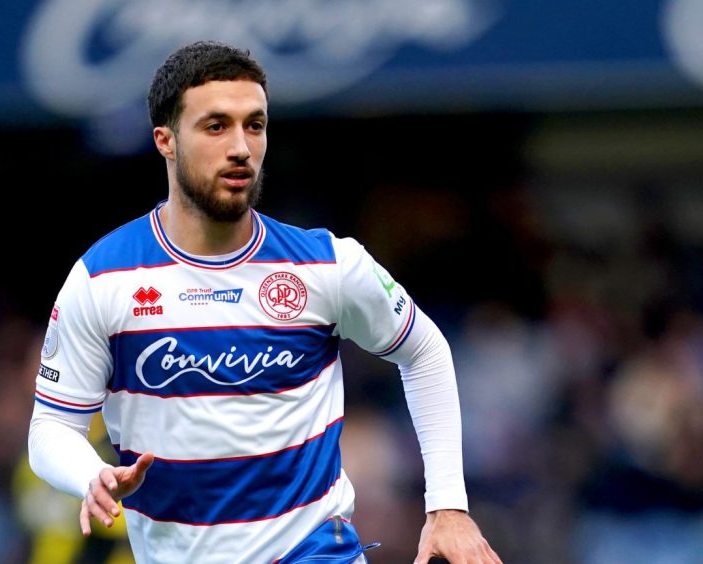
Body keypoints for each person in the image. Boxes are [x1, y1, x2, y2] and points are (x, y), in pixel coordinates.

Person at [28, 41, 501, 564]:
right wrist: (88, 474)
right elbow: (51, 428)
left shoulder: (324, 264)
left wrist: (448, 506)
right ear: (165, 140)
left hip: (314, 549)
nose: (241, 147)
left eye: (254, 125)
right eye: (216, 126)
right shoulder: (102, 278)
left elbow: (424, 351)